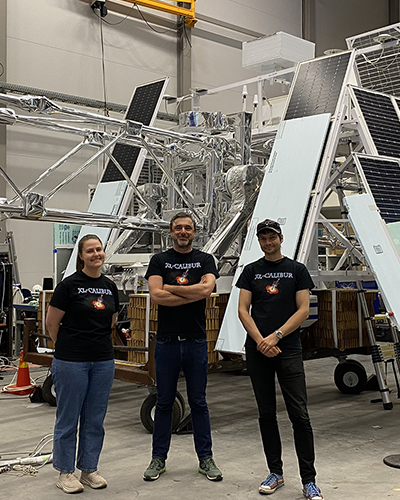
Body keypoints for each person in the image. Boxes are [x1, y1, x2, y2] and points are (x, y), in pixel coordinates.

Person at [237, 219, 323, 500]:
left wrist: (275, 336)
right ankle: (275, 472)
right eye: (262, 238)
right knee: (266, 414)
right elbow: (243, 310)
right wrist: (261, 341)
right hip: (258, 350)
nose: (267, 242)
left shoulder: (296, 270)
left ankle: (309, 480)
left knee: (299, 414)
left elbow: (302, 310)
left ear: (281, 239)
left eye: (271, 237)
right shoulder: (251, 271)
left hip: (288, 349)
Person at [143, 211, 223, 482]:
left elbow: (206, 291)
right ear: (171, 232)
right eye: (178, 228)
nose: (183, 232)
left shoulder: (205, 260)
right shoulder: (159, 260)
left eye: (188, 228)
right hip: (166, 342)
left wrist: (171, 288)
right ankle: (158, 459)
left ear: (194, 232)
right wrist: (193, 292)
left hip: (195, 342)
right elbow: (156, 296)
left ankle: (206, 459)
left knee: (199, 402)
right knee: (164, 402)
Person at [46, 234, 119, 494]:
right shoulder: (69, 286)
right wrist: (68, 347)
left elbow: (110, 322)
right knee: (68, 418)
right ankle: (65, 472)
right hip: (71, 361)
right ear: (81, 255)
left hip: (102, 360)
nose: (96, 254)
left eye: (99, 249)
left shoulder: (110, 287)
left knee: (95, 418)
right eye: (90, 251)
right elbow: (52, 323)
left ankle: (89, 469)